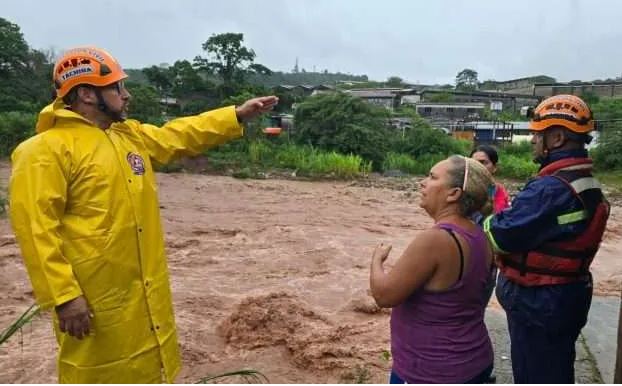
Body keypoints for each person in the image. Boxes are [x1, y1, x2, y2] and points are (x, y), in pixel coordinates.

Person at [8, 46, 277, 383]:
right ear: (87, 94)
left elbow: (177, 136)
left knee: (152, 367)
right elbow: (36, 230)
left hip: (145, 294)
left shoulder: (127, 136)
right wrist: (64, 297)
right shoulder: (43, 152)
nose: (127, 95)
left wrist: (235, 116)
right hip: (93, 300)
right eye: (118, 88)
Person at [483, 94, 610, 383]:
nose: (532, 141)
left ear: (556, 138)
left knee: (536, 374)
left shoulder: (550, 189)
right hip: (563, 298)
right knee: (555, 370)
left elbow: (500, 236)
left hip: (540, 304)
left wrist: (485, 216)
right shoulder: (583, 181)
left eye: (536, 135)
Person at [370, 155, 495, 383]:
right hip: (473, 361)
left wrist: (376, 260)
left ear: (453, 194)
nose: (422, 182)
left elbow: (383, 295)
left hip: (431, 370)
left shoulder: (436, 240)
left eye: (432, 177)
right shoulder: (480, 236)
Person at [470, 145, 510, 214]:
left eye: (482, 162)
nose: (477, 167)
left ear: (494, 167)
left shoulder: (498, 192)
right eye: (473, 163)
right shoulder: (461, 191)